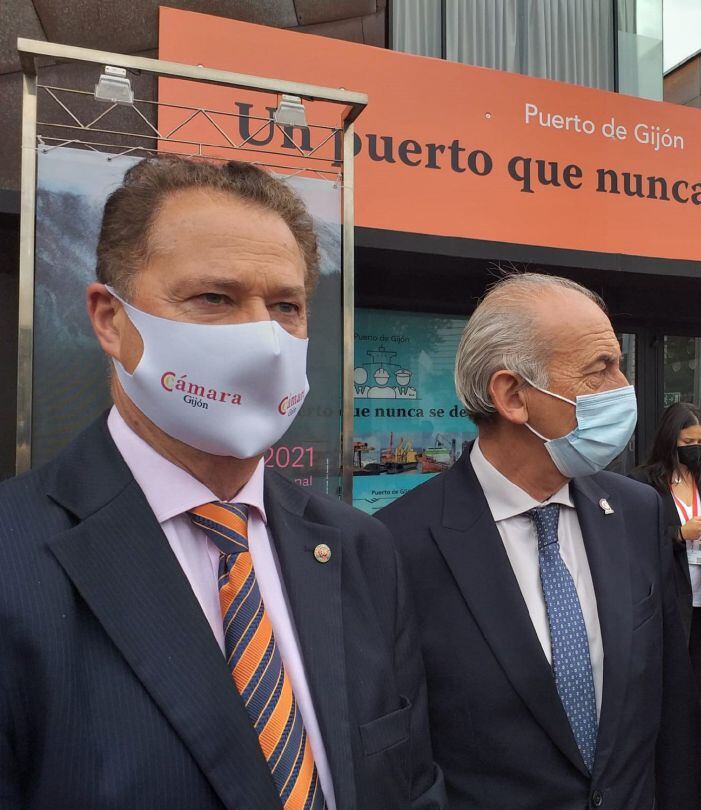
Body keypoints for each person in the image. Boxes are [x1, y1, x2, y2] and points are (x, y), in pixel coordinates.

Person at [0, 155, 446, 810]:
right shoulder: (15, 557)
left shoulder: (359, 549)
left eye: (286, 306)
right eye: (214, 297)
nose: (263, 340)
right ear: (110, 320)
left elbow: (410, 785)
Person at [377, 272, 701, 810]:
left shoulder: (636, 511)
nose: (624, 388)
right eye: (601, 369)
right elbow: (403, 763)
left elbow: (670, 708)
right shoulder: (395, 545)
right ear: (512, 395)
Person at [630, 401, 701, 810]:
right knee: (658, 686)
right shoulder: (644, 481)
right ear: (671, 439)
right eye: (689, 441)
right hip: (666, 597)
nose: (696, 449)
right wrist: (677, 533)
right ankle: (658, 769)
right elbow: (633, 537)